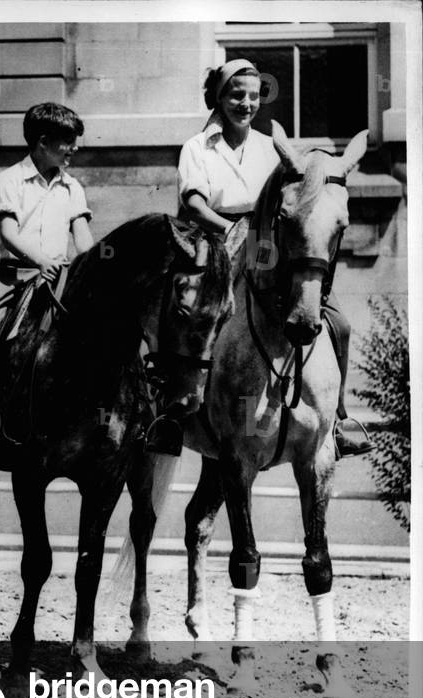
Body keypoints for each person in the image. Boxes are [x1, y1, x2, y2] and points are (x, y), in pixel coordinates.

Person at [177, 58, 372, 457]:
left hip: (267, 244)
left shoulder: (271, 148)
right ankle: (178, 410)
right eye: (236, 95)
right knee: (196, 313)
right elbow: (194, 205)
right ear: (219, 97)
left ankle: (337, 417)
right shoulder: (197, 147)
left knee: (338, 321)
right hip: (216, 239)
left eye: (253, 96)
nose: (246, 104)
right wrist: (234, 229)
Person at [0, 101, 95, 442]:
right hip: (9, 273)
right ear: (43, 142)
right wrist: (40, 261)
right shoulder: (9, 180)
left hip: (57, 273)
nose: (75, 148)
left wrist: (93, 266)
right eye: (68, 142)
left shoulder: (72, 186)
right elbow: (9, 234)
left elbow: (82, 237)